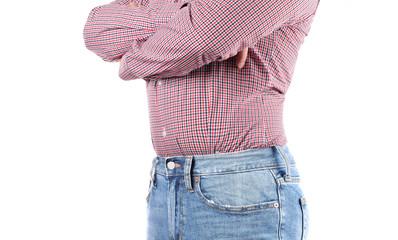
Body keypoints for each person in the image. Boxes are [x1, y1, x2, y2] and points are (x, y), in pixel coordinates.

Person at [84, 0, 320, 238]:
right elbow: (96, 30)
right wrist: (191, 18)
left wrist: (137, 56)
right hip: (164, 184)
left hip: (241, 188)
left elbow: (207, 35)